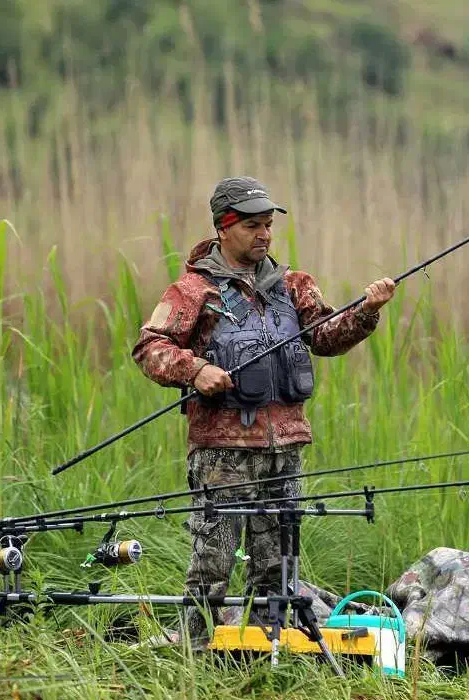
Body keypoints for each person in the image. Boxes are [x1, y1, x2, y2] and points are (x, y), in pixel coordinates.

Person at [132, 176, 395, 644]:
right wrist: (193, 371)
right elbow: (150, 346)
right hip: (222, 452)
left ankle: (265, 647)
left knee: (277, 563)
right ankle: (194, 651)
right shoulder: (193, 291)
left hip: (285, 446)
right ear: (224, 228)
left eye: (268, 225)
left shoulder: (293, 285)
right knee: (212, 561)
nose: (265, 235)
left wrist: (368, 311)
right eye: (253, 225)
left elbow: (325, 336)